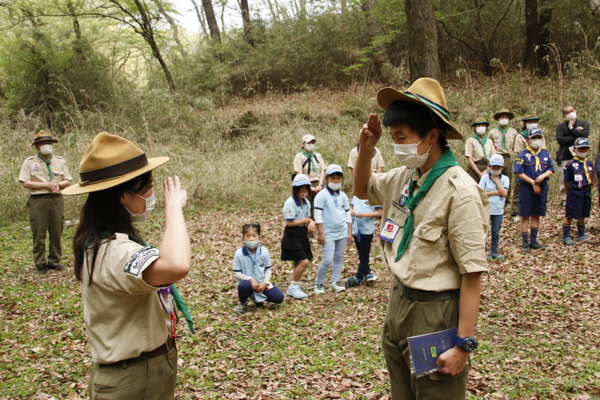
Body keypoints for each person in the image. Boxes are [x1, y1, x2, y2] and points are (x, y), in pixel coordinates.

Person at [354, 78, 489, 399]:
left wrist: (464, 344)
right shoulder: (405, 176)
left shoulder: (461, 191)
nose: (396, 145)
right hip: (399, 305)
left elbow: (472, 273)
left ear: (432, 135)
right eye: (392, 138)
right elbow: (361, 190)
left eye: (402, 137)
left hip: (435, 314)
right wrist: (366, 149)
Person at [63, 132, 192, 400]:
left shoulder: (99, 241)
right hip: (134, 379)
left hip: (141, 372)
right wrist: (174, 210)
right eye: (146, 188)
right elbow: (176, 265)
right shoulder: (115, 252)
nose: (152, 195)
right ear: (123, 196)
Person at [18, 130, 73, 274]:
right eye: (42, 143)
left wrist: (58, 185)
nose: (46, 145)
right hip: (38, 200)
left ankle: (54, 261)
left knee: (56, 231)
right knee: (39, 232)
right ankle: (40, 263)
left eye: (48, 143)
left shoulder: (60, 161)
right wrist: (46, 185)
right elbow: (25, 183)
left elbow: (67, 180)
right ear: (37, 146)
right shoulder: (30, 162)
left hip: (56, 199)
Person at [514, 127, 554, 253]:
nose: (536, 140)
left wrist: (543, 176)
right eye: (533, 138)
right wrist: (532, 182)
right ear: (528, 140)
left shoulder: (545, 154)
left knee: (536, 214)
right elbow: (518, 172)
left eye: (538, 138)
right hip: (527, 188)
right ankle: (525, 241)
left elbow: (551, 169)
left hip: (542, 187)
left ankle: (534, 241)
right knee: (525, 214)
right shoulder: (522, 154)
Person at [313, 164, 352, 295]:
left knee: (339, 257)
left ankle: (335, 282)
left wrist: (349, 232)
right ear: (327, 179)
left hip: (342, 231)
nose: (336, 181)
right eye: (333, 178)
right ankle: (319, 284)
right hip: (328, 233)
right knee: (328, 259)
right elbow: (317, 215)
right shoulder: (321, 195)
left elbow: (347, 214)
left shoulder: (343, 196)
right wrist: (321, 233)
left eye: (338, 178)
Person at [233, 223, 284, 313]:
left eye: (254, 236)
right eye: (248, 236)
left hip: (261, 283)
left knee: (279, 297)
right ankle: (243, 302)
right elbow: (236, 273)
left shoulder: (264, 251)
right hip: (247, 283)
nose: (251, 239)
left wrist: (265, 283)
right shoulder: (239, 253)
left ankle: (257, 299)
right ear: (243, 237)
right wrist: (250, 279)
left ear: (259, 236)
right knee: (243, 285)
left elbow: (268, 269)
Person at [281, 174, 316, 299]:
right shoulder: (290, 203)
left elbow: (308, 218)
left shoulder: (306, 202)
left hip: (302, 234)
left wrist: (310, 222)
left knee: (298, 261)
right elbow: (290, 222)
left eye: (306, 189)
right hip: (292, 234)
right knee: (304, 261)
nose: (303, 192)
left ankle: (294, 285)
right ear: (295, 189)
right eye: (301, 189)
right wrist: (306, 220)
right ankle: (293, 286)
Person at [512, 113, 546, 222]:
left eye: (534, 122)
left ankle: (535, 211)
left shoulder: (541, 136)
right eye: (530, 122)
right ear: (525, 123)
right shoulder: (520, 136)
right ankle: (516, 212)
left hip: (537, 166)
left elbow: (543, 151)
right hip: (524, 166)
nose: (532, 124)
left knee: (538, 187)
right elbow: (519, 152)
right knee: (519, 188)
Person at [556, 105, 590, 205]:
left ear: (575, 110)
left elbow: (584, 135)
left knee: (581, 177)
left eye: (571, 110)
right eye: (567, 112)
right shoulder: (561, 127)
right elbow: (560, 139)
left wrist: (572, 129)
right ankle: (564, 200)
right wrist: (576, 133)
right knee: (563, 179)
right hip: (564, 156)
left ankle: (580, 197)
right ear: (563, 115)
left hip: (580, 156)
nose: (570, 113)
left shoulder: (583, 123)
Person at [345, 196, 382, 287]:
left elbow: (379, 213)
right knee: (361, 253)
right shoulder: (356, 196)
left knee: (364, 253)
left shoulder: (374, 195)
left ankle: (358, 277)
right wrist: (351, 211)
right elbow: (351, 207)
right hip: (356, 229)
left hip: (367, 230)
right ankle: (368, 274)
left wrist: (365, 214)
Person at [562, 138, 594, 246]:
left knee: (582, 214)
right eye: (581, 148)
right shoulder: (570, 164)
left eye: (585, 148)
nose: (583, 150)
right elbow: (566, 181)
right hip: (574, 192)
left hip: (586, 192)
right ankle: (566, 237)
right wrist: (568, 193)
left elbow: (591, 177)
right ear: (575, 150)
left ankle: (581, 235)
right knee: (570, 214)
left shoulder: (589, 163)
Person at [479, 155, 509, 261]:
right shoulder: (484, 178)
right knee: (484, 232)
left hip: (498, 210)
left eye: (498, 167)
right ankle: (482, 252)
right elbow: (481, 193)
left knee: (495, 232)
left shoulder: (505, 179)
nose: (495, 169)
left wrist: (496, 181)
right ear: (489, 166)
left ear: (502, 167)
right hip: (486, 209)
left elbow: (504, 192)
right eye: (493, 167)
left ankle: (494, 252)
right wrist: (496, 192)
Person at [488, 109, 517, 212]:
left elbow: (515, 146)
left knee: (507, 177)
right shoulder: (492, 132)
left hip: (507, 156)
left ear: (509, 119)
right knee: (495, 176)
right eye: (502, 117)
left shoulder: (513, 132)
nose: (504, 119)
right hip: (496, 155)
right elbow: (489, 145)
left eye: (506, 117)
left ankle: (507, 201)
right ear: (498, 119)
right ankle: (495, 197)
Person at [293, 134, 326, 217]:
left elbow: (322, 170)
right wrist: (309, 188)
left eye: (313, 142)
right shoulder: (299, 157)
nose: (311, 144)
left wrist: (320, 185)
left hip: (318, 184)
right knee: (306, 208)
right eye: (309, 142)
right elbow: (298, 175)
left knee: (319, 208)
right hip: (305, 185)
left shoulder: (317, 156)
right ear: (303, 144)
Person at [465, 116, 495, 182]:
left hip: (487, 167)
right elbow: (469, 159)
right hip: (474, 168)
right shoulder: (471, 141)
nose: (481, 127)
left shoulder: (489, 141)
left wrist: (487, 170)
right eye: (478, 125)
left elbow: (493, 157)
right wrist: (479, 173)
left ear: (486, 127)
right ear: (474, 128)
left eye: (483, 125)